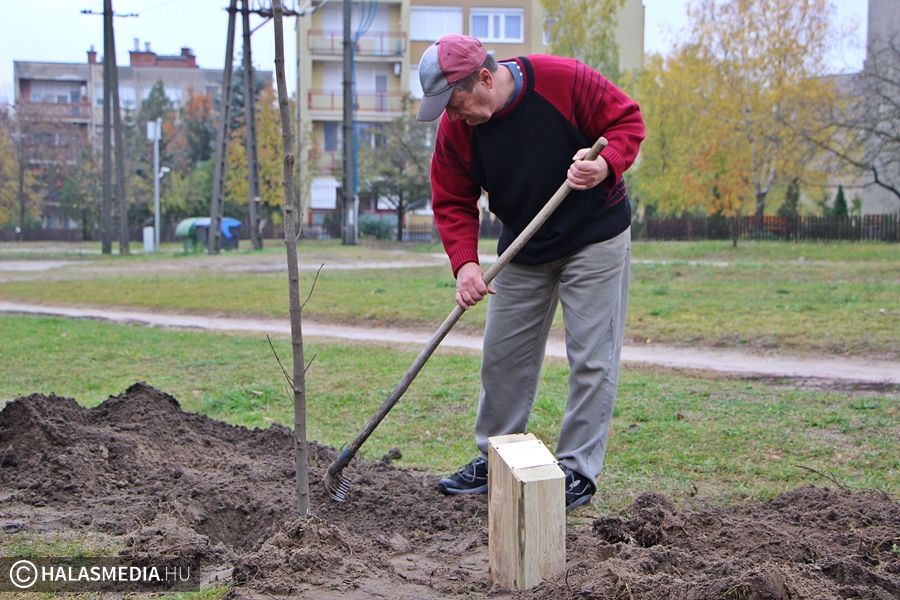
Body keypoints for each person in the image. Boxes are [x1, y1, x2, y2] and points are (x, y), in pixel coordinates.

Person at [416, 34, 645, 510]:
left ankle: (577, 471)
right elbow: (453, 197)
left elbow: (627, 121)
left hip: (594, 235)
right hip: (524, 242)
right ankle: (497, 456)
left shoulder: (564, 80)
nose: (452, 118)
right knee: (503, 357)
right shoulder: (457, 129)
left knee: (591, 357)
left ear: (484, 77)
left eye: (455, 105)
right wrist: (465, 264)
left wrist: (605, 165)